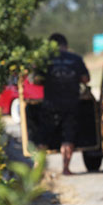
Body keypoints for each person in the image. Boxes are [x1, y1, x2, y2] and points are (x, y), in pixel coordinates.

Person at [42, 33, 90, 175]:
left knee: (43, 138)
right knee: (68, 137)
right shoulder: (75, 59)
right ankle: (65, 168)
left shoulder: (45, 60)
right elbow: (86, 79)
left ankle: (38, 171)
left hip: (50, 104)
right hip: (71, 104)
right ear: (66, 45)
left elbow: (35, 79)